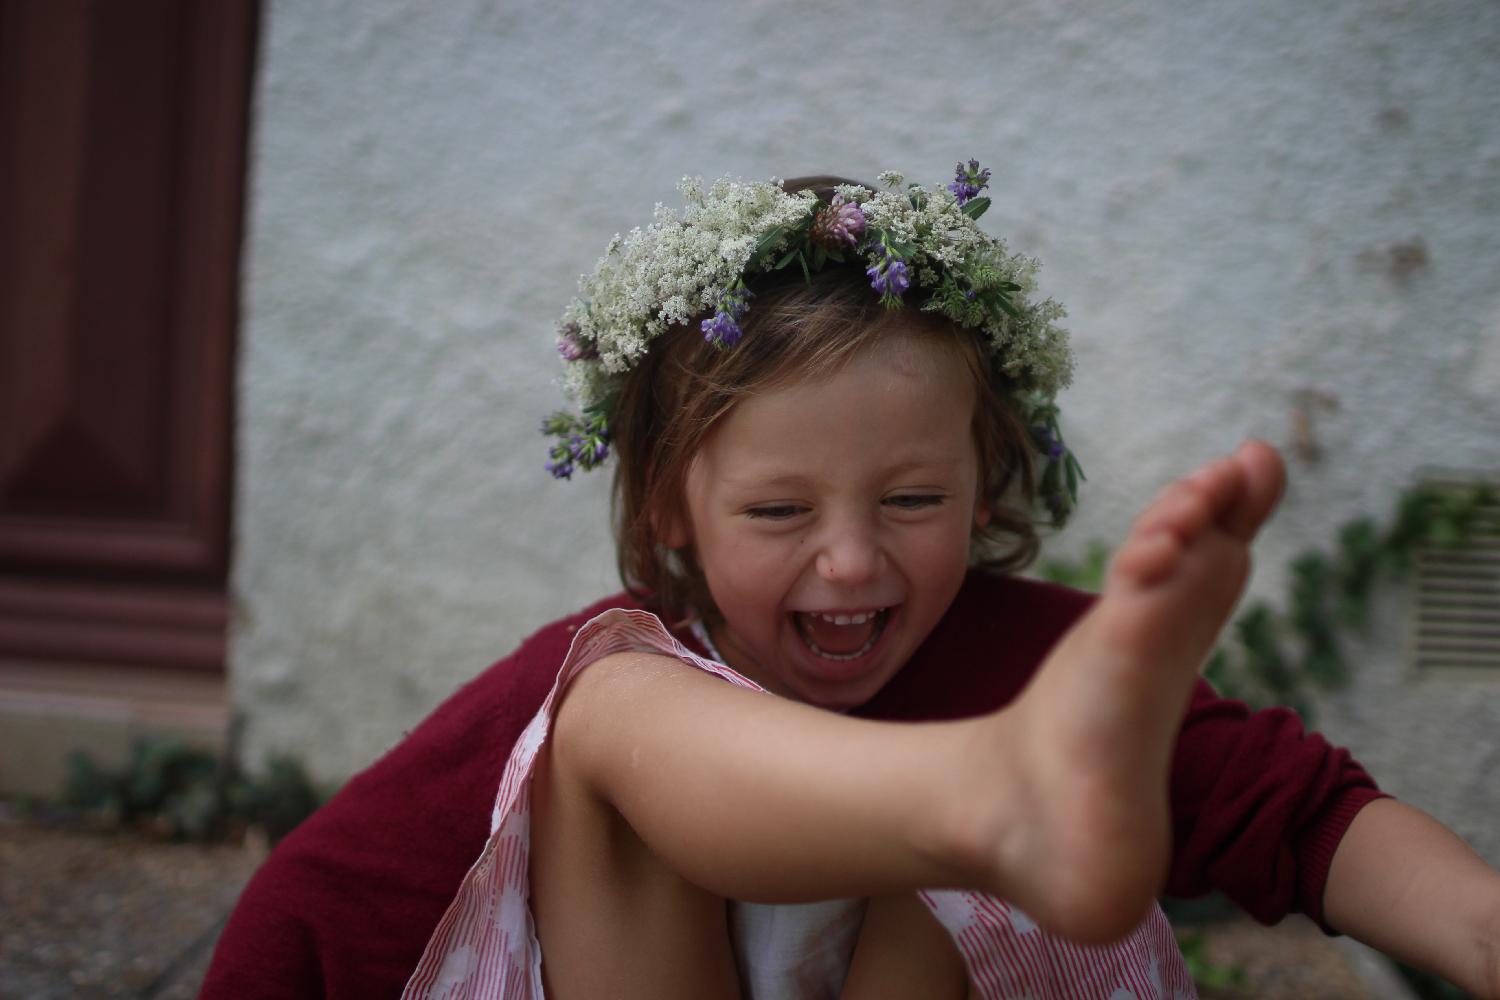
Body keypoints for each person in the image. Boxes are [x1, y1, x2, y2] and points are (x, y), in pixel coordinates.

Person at [202, 167, 1500, 1000]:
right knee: (603, 707)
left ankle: (999, 809)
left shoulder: (1027, 663)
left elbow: (1305, 817)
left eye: (914, 501)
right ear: (670, 507)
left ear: (986, 488)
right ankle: (989, 796)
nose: (851, 560)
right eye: (777, 510)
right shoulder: (616, 686)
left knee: (1005, 839)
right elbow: (327, 906)